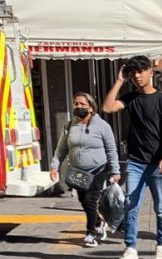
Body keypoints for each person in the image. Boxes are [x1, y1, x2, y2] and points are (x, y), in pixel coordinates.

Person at [102, 55, 162, 259]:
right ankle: (130, 250)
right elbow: (107, 108)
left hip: (157, 163)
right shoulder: (130, 97)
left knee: (161, 207)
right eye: (133, 72)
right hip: (135, 162)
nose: (137, 76)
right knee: (131, 206)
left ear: (150, 72)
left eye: (141, 71)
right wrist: (119, 81)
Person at [50, 92, 121, 247]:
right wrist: (54, 165)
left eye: (83, 104)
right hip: (78, 172)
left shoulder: (102, 126)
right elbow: (61, 149)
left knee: (90, 200)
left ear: (91, 107)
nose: (79, 107)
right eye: (76, 104)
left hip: (97, 169)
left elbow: (111, 150)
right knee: (83, 201)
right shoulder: (69, 126)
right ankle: (99, 222)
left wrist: (115, 171)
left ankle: (90, 233)